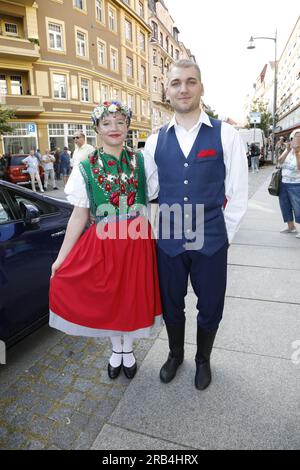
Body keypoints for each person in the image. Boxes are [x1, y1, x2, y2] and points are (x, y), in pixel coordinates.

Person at [143, 60, 248, 390]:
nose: (183, 89)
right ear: (168, 90)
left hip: (212, 239)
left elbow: (238, 192)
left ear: (201, 87)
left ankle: (203, 359)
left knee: (211, 304)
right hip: (170, 239)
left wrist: (224, 235)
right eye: (176, 83)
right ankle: (176, 354)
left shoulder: (225, 134)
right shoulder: (154, 140)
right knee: (171, 302)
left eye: (190, 82)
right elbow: (149, 193)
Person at [49, 101, 162, 380]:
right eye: (107, 123)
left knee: (132, 295)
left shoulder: (143, 160)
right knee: (111, 297)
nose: (114, 128)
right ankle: (116, 349)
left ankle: (129, 349)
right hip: (104, 243)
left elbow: (153, 204)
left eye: (120, 122)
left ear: (127, 127)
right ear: (97, 128)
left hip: (137, 242)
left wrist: (157, 240)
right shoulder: (85, 167)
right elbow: (78, 216)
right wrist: (61, 259)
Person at [277, 129, 300, 237]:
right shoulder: (289, 150)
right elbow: (279, 161)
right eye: (294, 137)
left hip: (296, 184)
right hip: (284, 182)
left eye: (298, 137)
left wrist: (297, 153)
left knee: (298, 207)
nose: (296, 139)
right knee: (285, 205)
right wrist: (287, 149)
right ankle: (291, 227)